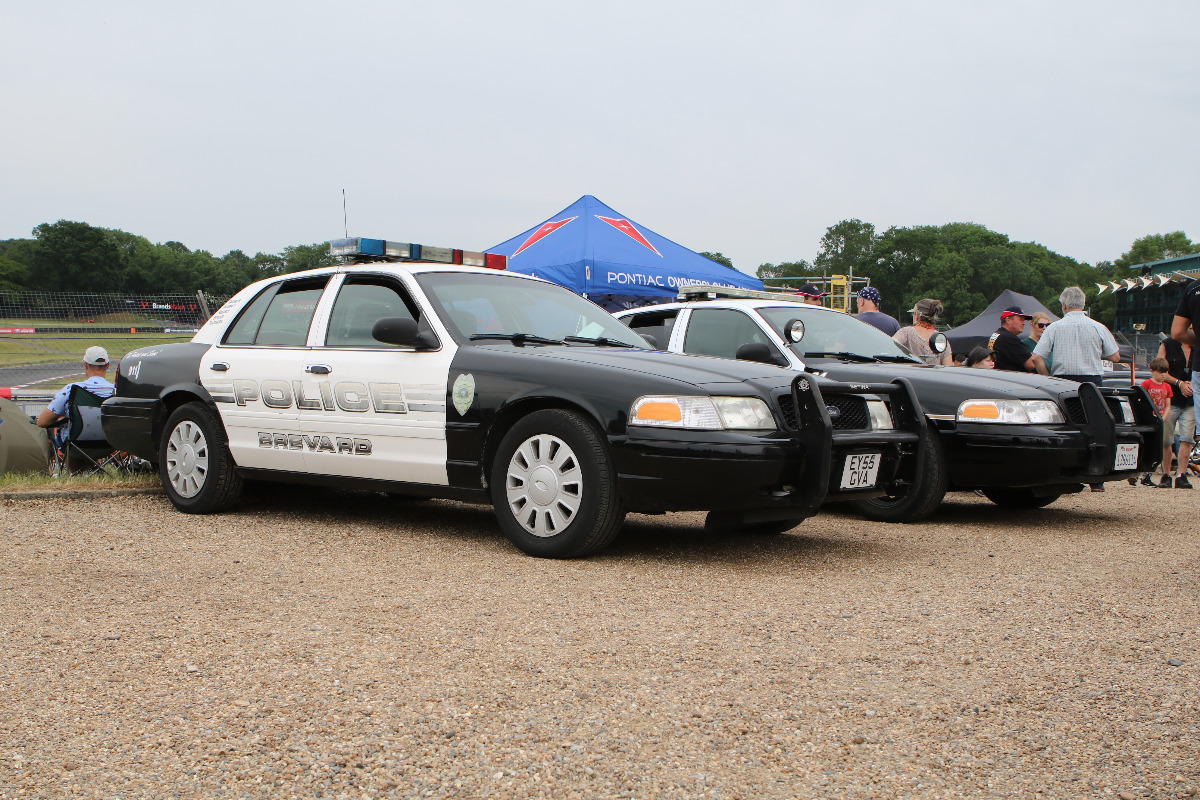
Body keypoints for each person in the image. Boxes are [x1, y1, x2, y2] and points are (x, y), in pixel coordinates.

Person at [1031, 286, 1121, 383]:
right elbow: (1115, 357)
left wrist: (1048, 378)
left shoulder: (1053, 328)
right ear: (1083, 305)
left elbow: (1036, 357)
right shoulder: (1099, 327)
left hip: (1061, 380)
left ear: (1064, 305)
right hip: (1092, 381)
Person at [37, 346, 115, 449]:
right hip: (109, 444)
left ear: (85, 365)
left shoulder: (71, 389)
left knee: (69, 438)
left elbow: (42, 421)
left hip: (75, 445)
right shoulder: (117, 391)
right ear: (108, 365)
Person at [1136, 357, 1175, 488]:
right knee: (1145, 445)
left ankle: (1147, 474)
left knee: (1156, 447)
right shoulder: (1147, 384)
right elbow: (1140, 400)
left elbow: (1168, 405)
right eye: (1160, 372)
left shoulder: (1167, 387)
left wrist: (1163, 417)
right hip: (1148, 419)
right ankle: (1138, 473)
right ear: (1153, 371)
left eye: (1165, 372)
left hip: (1160, 419)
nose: (1163, 375)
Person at [894, 299, 953, 365]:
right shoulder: (941, 338)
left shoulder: (906, 332)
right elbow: (948, 365)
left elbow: (891, 345)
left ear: (917, 316)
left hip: (911, 374)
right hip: (933, 375)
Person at [988, 306, 1037, 372]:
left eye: (1024, 320)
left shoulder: (997, 334)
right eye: (1021, 319)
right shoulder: (1008, 338)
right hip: (1009, 379)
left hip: (999, 377)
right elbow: (1031, 364)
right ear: (1008, 320)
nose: (1024, 323)